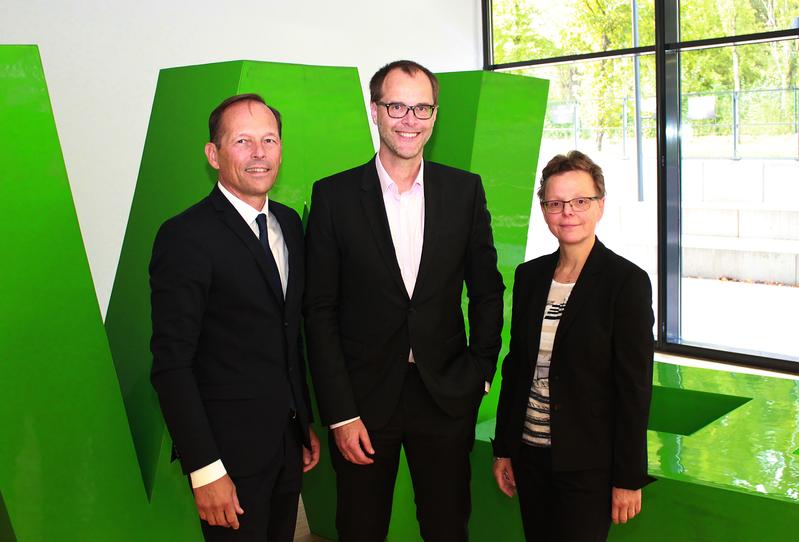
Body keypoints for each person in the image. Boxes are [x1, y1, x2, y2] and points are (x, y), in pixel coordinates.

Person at [304, 60, 504, 542]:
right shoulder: (333, 196)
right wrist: (339, 412)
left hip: (444, 392)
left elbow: (487, 289)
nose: (409, 119)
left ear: (434, 116)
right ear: (375, 111)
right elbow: (319, 311)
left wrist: (480, 371)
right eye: (397, 105)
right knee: (360, 527)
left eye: (421, 107)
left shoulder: (464, 190)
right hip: (363, 401)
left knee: (447, 525)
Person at [150, 93, 319, 541]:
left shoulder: (290, 225)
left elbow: (288, 334)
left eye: (270, 139)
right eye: (243, 141)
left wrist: (302, 422)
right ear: (214, 154)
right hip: (225, 459)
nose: (259, 153)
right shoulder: (185, 236)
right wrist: (204, 470)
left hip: (286, 446)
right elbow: (171, 364)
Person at [492, 151, 654, 541]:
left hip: (588, 464)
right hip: (530, 454)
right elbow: (516, 368)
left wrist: (628, 477)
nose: (568, 212)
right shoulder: (530, 276)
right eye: (555, 203)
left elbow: (634, 387)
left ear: (600, 205)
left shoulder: (626, 282)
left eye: (581, 201)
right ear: (544, 209)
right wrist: (504, 447)